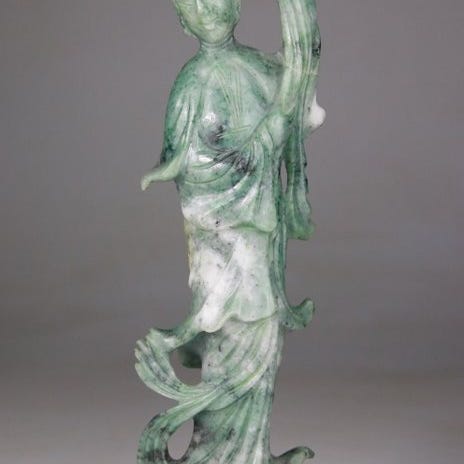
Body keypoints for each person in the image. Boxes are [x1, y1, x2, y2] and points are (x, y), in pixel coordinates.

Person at [135, 1, 326, 463]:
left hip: (260, 230)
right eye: (195, 5)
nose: (209, 9)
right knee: (225, 331)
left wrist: (300, 64)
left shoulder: (262, 67)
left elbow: (301, 109)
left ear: (237, 5)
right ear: (183, 22)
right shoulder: (190, 84)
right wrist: (177, 168)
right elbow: (191, 162)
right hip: (220, 236)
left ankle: (253, 453)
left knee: (263, 335)